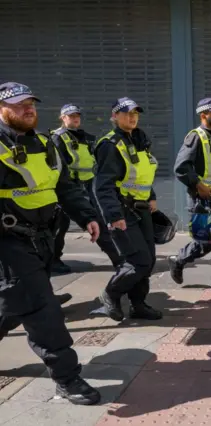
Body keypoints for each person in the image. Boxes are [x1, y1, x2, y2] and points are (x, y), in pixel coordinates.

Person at [0, 82, 101, 404]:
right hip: (7, 243)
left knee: (14, 305)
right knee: (44, 310)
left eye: (30, 103)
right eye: (17, 105)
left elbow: (65, 186)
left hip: (41, 239)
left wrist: (86, 216)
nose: (27, 109)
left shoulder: (46, 143)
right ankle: (67, 377)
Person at [93, 97, 163, 322]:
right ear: (114, 116)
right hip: (122, 211)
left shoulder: (140, 139)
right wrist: (114, 216)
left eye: (135, 113)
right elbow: (103, 186)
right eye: (126, 113)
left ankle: (138, 304)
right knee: (138, 261)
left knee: (148, 261)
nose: (132, 117)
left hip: (142, 210)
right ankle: (110, 294)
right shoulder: (110, 145)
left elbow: (142, 174)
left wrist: (151, 196)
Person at [168, 98, 211, 290]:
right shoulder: (195, 137)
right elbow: (181, 167)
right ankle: (179, 259)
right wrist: (198, 185)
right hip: (203, 198)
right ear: (203, 115)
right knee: (206, 241)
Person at [51, 104, 121, 274]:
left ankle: (118, 259)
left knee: (97, 220)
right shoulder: (57, 138)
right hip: (67, 187)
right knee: (59, 226)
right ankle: (52, 261)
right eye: (71, 116)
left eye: (77, 116)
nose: (75, 118)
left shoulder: (86, 138)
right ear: (62, 118)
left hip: (87, 184)